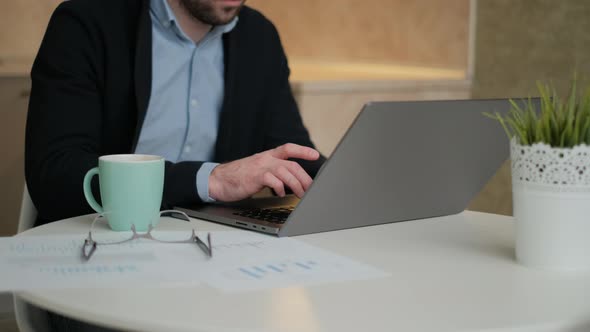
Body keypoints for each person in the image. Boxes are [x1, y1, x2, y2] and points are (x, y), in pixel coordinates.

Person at [25, 0, 326, 228]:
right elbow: (56, 175)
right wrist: (212, 180)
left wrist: (354, 183)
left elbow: (290, 153)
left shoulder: (259, 36)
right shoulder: (85, 22)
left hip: (214, 247)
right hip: (98, 238)